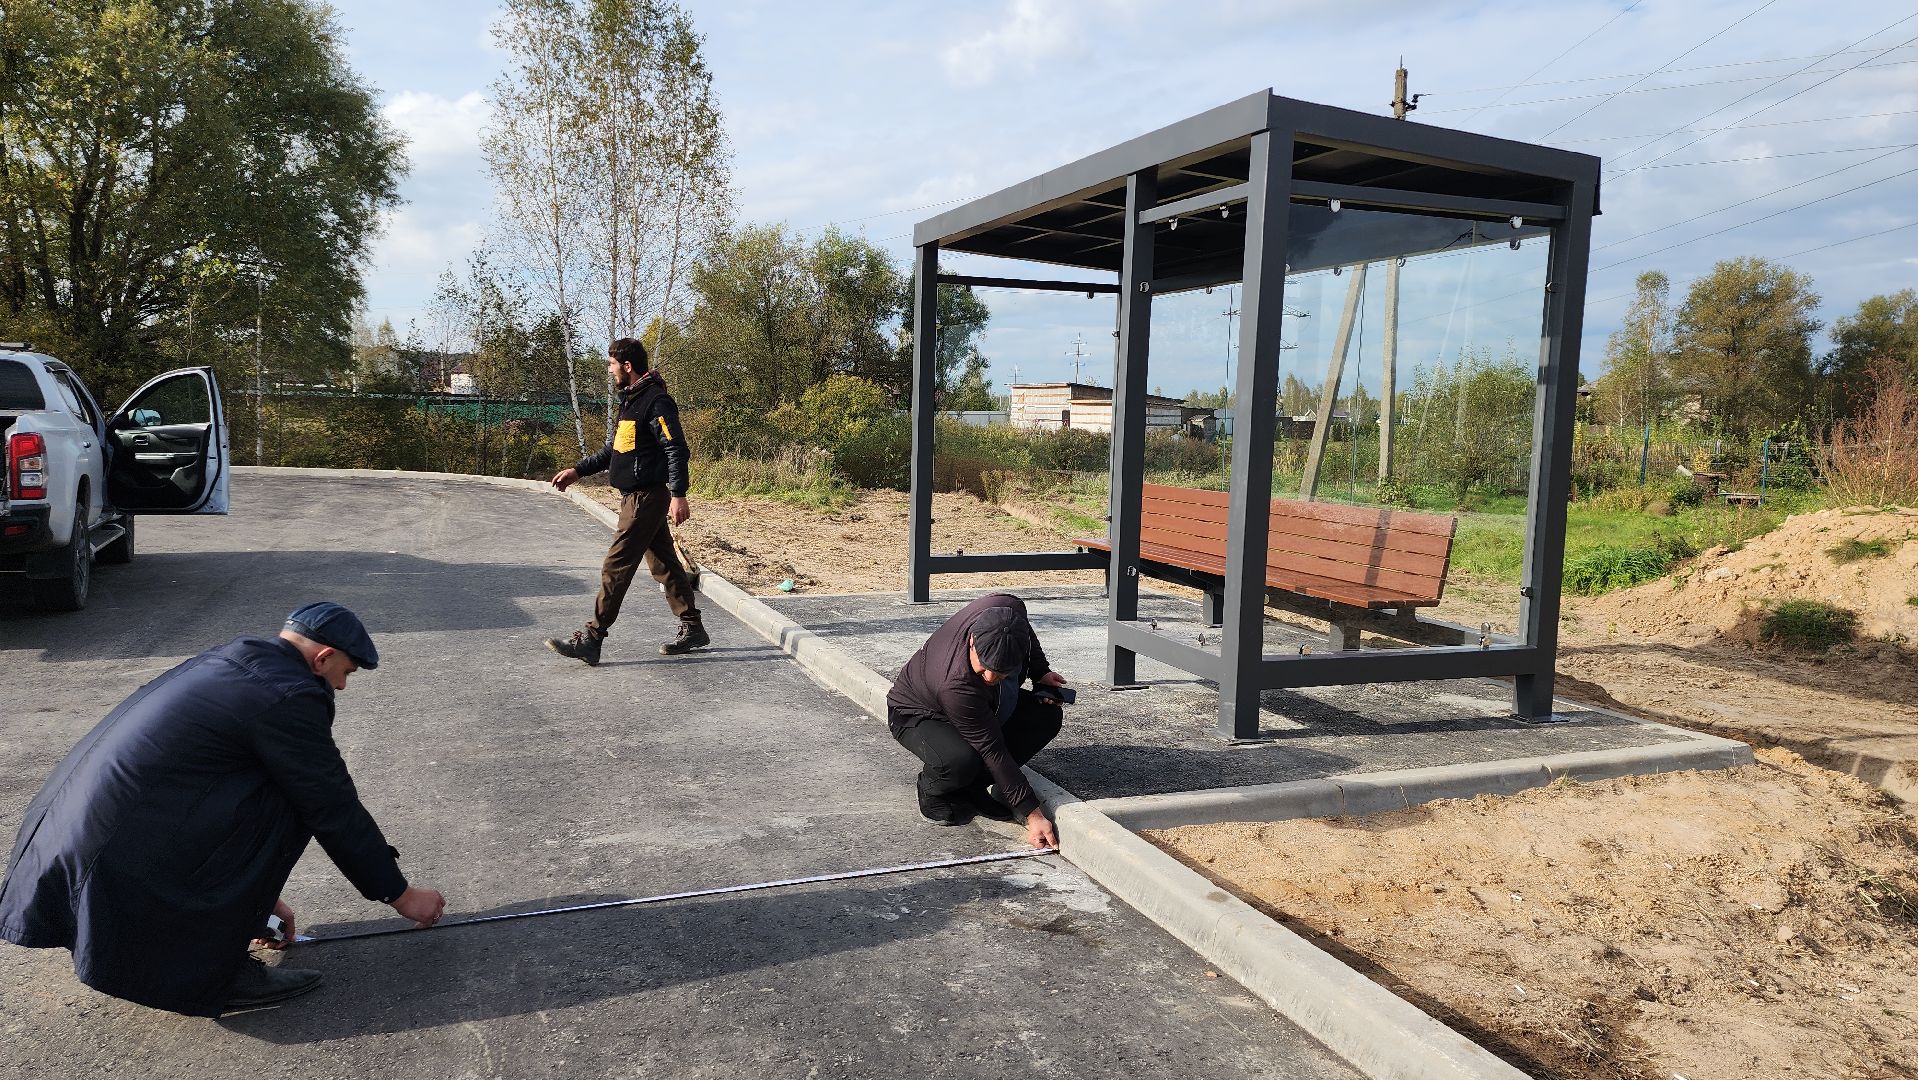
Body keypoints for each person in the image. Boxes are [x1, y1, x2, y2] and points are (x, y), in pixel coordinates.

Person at [0, 603, 446, 1016]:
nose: (342, 686)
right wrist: (399, 894)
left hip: (64, 835)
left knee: (270, 783)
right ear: (323, 656)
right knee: (292, 801)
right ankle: (215, 972)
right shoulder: (288, 694)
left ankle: (226, 928)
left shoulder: (231, 661)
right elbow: (332, 805)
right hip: (115, 853)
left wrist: (257, 902)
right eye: (344, 673)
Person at [546, 336, 706, 665]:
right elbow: (613, 452)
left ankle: (592, 638)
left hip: (647, 498)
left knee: (615, 567)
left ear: (627, 366)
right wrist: (578, 471)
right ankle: (693, 628)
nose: (610, 370)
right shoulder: (631, 402)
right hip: (636, 497)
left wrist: (678, 494)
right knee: (664, 564)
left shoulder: (655, 402)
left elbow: (676, 448)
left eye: (612, 364)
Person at [886, 593, 1068, 849]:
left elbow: (1024, 633)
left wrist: (1041, 672)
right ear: (973, 641)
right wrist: (1033, 814)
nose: (991, 676)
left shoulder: (1010, 609)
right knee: (962, 759)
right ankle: (932, 789)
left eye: (1002, 671)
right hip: (916, 715)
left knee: (1045, 716)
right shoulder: (954, 683)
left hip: (979, 706)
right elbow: (992, 749)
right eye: (985, 666)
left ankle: (971, 789)